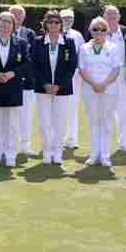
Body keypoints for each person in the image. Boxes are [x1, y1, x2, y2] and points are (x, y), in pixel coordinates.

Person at [33, 10, 78, 167]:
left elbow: (71, 66)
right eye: (50, 22)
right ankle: (47, 152)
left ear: (61, 25)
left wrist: (59, 85)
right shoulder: (38, 41)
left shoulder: (69, 42)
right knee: (45, 122)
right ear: (45, 25)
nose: (53, 25)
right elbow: (34, 66)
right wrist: (45, 84)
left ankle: (57, 152)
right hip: (42, 88)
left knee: (59, 122)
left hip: (62, 89)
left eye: (56, 22)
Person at [78, 17, 121, 167]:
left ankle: (105, 156)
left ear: (107, 31)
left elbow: (116, 69)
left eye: (102, 29)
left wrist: (103, 84)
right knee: (94, 122)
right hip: (90, 89)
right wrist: (94, 84)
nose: (99, 32)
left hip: (109, 89)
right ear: (90, 31)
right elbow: (82, 69)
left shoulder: (114, 47)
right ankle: (94, 154)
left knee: (106, 122)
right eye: (95, 29)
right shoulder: (84, 48)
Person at [0, 11, 29, 168]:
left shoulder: (21, 43)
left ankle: (11, 154)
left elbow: (27, 64)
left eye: (9, 22)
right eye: (3, 21)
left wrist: (13, 73)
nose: (5, 25)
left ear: (14, 25)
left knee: (12, 124)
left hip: (13, 88)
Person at [103, 5, 126, 152]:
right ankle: (104, 144)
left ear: (119, 16)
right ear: (104, 16)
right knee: (106, 111)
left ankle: (125, 143)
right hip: (105, 76)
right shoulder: (98, 31)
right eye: (108, 14)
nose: (111, 17)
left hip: (124, 75)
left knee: (125, 110)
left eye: (114, 14)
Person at [9, 5, 36, 156]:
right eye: (14, 15)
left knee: (26, 115)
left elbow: (31, 59)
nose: (17, 18)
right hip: (7, 83)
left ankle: (25, 145)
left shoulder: (30, 34)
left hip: (26, 83)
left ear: (24, 17)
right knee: (9, 116)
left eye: (20, 15)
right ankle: (8, 145)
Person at [60, 8, 86, 150]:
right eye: (64, 18)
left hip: (74, 76)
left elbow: (82, 56)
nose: (67, 21)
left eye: (70, 18)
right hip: (57, 76)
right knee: (58, 108)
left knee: (72, 108)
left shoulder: (77, 35)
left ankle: (72, 139)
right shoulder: (52, 33)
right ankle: (57, 139)